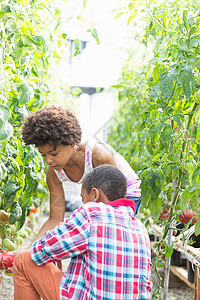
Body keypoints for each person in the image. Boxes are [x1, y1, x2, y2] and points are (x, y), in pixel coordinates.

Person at [13, 165, 152, 300]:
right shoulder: (140, 228)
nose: (83, 203)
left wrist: (13, 256)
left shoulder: (92, 213)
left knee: (23, 260)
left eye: (83, 198)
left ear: (94, 194)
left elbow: (44, 250)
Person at [21, 105, 141, 244]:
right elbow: (55, 219)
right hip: (96, 195)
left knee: (103, 237)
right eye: (43, 155)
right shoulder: (53, 172)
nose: (48, 160)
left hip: (126, 194)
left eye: (54, 153)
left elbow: (114, 211)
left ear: (72, 143)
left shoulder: (98, 156)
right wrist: (29, 250)